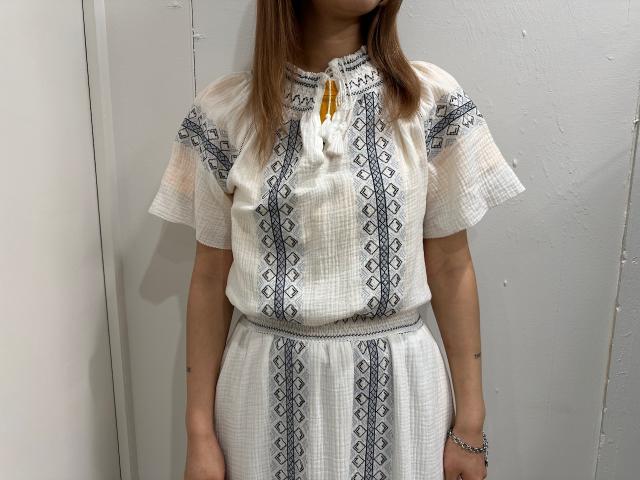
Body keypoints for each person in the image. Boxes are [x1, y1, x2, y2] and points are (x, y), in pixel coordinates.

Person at [148, 0, 526, 479]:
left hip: (401, 393)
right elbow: (209, 279)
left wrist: (470, 424)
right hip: (263, 398)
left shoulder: (427, 103)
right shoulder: (227, 114)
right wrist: (199, 431)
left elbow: (452, 268)